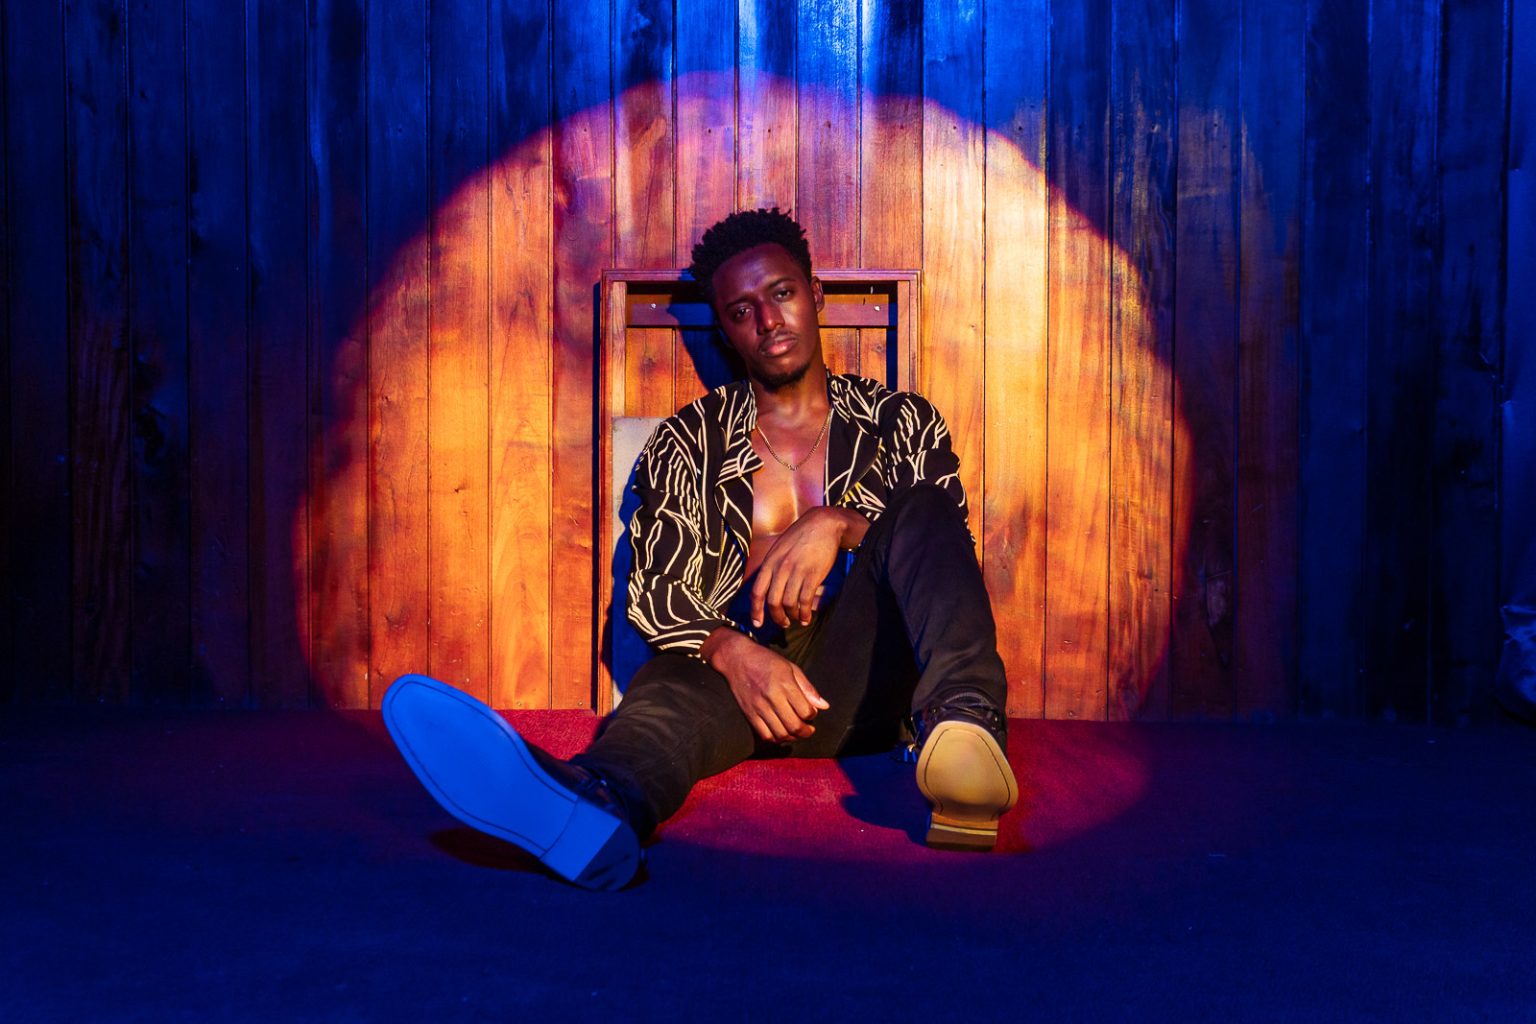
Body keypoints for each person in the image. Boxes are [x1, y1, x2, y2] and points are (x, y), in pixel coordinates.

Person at [383, 208, 1017, 890]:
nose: (768, 321)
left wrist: (836, 523)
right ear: (724, 329)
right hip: (743, 697)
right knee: (666, 691)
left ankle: (965, 734)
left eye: (782, 293)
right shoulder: (688, 439)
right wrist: (735, 654)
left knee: (923, 506)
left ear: (814, 295)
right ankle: (594, 806)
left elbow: (946, 553)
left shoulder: (901, 421)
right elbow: (655, 593)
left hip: (869, 689)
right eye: (742, 311)